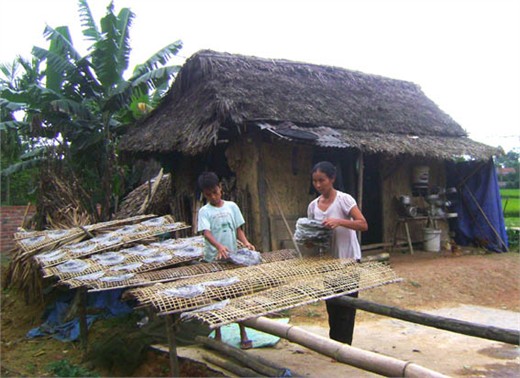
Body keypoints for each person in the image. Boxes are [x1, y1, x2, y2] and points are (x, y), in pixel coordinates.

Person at [307, 161, 368, 345]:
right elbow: (312, 236)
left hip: (348, 260)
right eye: (315, 181)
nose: (318, 185)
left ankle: (345, 347)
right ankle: (335, 345)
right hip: (328, 262)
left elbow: (363, 224)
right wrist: (309, 240)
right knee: (332, 305)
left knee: (347, 306)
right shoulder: (313, 206)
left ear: (332, 179)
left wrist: (339, 222)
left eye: (322, 180)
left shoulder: (344, 200)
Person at [197, 171, 255, 349]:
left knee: (237, 296)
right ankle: (218, 334)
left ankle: (243, 334)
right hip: (214, 261)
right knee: (216, 298)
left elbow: (238, 229)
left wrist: (246, 243)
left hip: (233, 260)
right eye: (208, 194)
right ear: (204, 194)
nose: (213, 197)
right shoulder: (204, 211)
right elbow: (206, 233)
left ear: (220, 188)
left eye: (215, 192)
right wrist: (219, 247)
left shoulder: (232, 206)